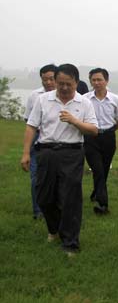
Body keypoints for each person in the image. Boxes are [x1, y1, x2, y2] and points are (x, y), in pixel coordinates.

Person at [20, 64, 98, 255]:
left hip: (72, 153)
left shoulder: (84, 103)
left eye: (68, 84)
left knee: (70, 198)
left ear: (76, 83)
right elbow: (31, 126)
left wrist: (75, 121)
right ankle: (54, 229)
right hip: (46, 152)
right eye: (60, 83)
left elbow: (94, 130)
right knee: (44, 196)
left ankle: (70, 242)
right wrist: (26, 153)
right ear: (55, 81)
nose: (64, 87)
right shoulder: (43, 100)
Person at [83, 68, 118, 215]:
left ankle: (96, 192)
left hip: (108, 137)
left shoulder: (115, 99)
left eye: (99, 80)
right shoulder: (85, 99)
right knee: (98, 169)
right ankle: (103, 204)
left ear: (106, 81)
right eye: (93, 80)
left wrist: (111, 130)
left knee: (104, 169)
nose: (96, 82)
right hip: (90, 137)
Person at [23, 64, 57, 220]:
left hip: (57, 140)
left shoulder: (65, 95)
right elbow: (28, 121)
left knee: (56, 176)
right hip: (38, 138)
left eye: (51, 79)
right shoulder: (35, 95)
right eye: (45, 79)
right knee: (36, 176)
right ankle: (38, 211)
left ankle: (55, 208)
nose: (48, 82)